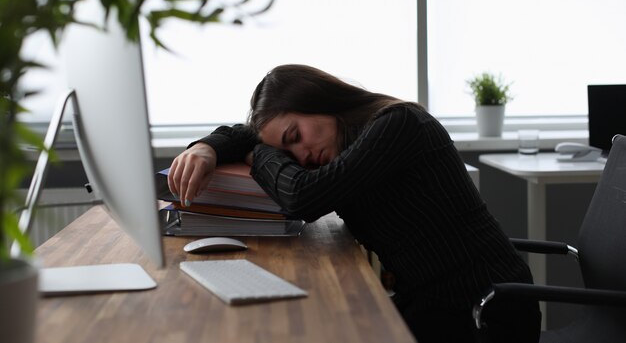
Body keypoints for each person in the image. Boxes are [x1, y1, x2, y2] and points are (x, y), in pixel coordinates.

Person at [167, 64, 541, 343]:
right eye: (288, 150)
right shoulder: (347, 147)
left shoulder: (399, 124)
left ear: (319, 101)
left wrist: (259, 152)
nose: (301, 154)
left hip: (485, 312)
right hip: (432, 303)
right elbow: (246, 133)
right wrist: (207, 146)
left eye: (296, 136)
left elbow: (303, 196)